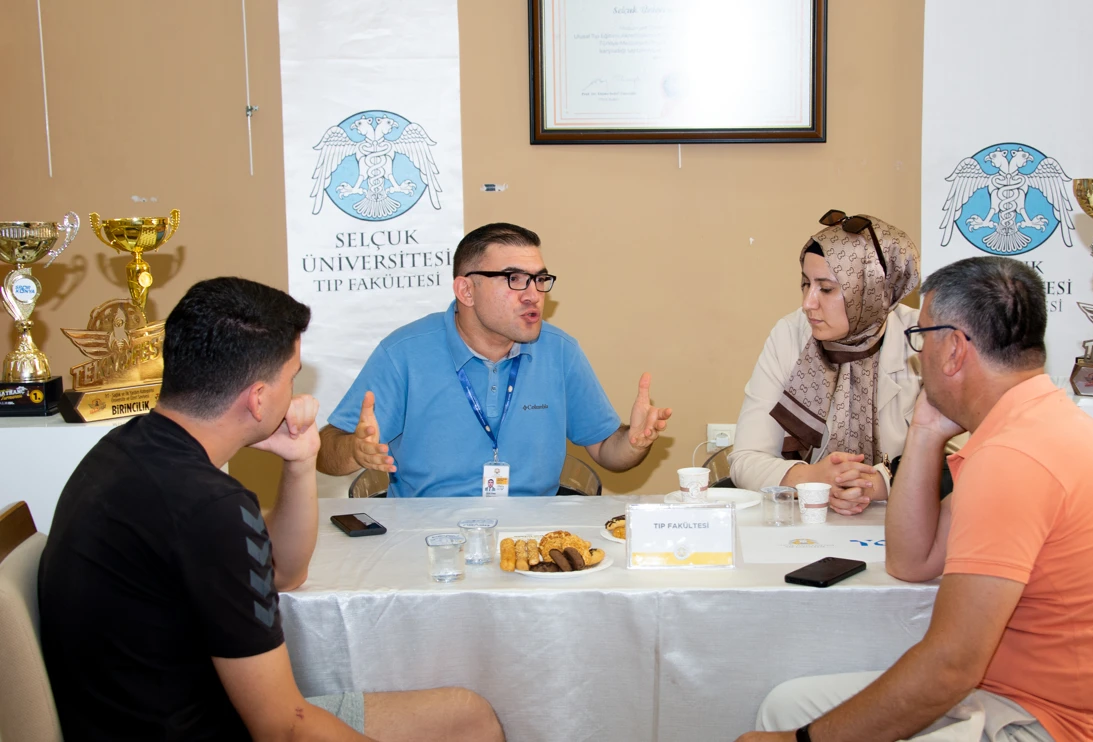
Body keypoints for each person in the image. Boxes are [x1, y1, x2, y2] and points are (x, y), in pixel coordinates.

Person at [39, 277, 503, 741]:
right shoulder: (208, 507)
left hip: (140, 711)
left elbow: (283, 574)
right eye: (292, 375)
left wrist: (300, 462)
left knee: (468, 715)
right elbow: (282, 729)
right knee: (471, 720)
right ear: (259, 398)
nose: (295, 391)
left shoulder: (131, 448)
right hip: (199, 727)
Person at [739, 257, 1093, 742]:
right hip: (1016, 697)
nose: (916, 356)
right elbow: (913, 560)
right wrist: (925, 430)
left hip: (1058, 727)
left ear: (953, 350)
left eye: (920, 339)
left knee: (790, 729)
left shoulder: (1015, 457)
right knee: (785, 706)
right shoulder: (1029, 423)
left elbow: (951, 666)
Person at [317, 223, 671, 497]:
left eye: (540, 279)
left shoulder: (560, 351)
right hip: (427, 542)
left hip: (532, 540)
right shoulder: (404, 353)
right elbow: (325, 453)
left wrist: (634, 441)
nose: (533, 295)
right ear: (466, 290)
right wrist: (354, 449)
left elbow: (608, 451)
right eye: (514, 279)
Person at [731, 210, 944, 515]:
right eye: (806, 284)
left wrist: (880, 482)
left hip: (902, 519)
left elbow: (961, 458)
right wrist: (811, 479)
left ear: (871, 290)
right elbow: (746, 458)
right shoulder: (789, 335)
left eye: (826, 289)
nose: (808, 303)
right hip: (805, 521)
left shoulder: (925, 339)